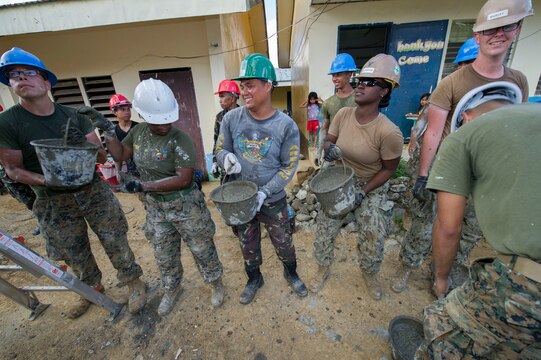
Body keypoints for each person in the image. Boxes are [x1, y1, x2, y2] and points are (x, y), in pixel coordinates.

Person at [392, 0, 533, 294]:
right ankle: (407, 266)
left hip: (486, 172)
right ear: (478, 35)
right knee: (425, 224)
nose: (498, 35)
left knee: (469, 231)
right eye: (490, 29)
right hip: (448, 166)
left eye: (506, 27)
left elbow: (513, 131)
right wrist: (422, 175)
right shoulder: (451, 83)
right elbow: (432, 133)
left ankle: (443, 271)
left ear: (517, 30)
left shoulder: (518, 81)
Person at [0, 47, 147, 318]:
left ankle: (133, 282)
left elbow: (102, 156)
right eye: (14, 74)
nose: (22, 78)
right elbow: (12, 170)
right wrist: (51, 180)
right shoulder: (7, 123)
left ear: (46, 81)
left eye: (29, 72)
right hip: (52, 199)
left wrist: (97, 134)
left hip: (92, 190)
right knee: (73, 249)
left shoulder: (74, 116)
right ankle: (92, 288)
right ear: (10, 83)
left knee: (114, 237)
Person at [415, 100, 541, 358]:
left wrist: (441, 279)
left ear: (465, 116)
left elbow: (449, 226)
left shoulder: (466, 135)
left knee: (442, 327)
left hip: (529, 284)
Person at [104, 78, 224, 316]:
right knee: (163, 252)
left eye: (168, 120)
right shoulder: (138, 132)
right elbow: (121, 152)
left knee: (202, 248)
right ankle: (172, 288)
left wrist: (142, 185)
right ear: (144, 115)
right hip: (156, 209)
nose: (164, 125)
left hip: (185, 205)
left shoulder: (181, 139)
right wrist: (107, 132)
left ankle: (215, 284)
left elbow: (184, 179)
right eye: (158, 122)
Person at [215, 53, 307, 304]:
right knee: (247, 243)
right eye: (242, 86)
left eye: (250, 85)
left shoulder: (286, 125)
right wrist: (224, 158)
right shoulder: (231, 119)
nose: (244, 91)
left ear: (268, 86)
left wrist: (265, 192)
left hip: (273, 198)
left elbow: (289, 167)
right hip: (241, 198)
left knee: (283, 241)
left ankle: (292, 273)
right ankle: (254, 278)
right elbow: (220, 148)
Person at [311, 54, 403, 299]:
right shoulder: (342, 116)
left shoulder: (388, 131)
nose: (361, 85)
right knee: (324, 228)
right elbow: (329, 140)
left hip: (369, 184)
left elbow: (388, 169)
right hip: (340, 180)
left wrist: (363, 191)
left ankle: (370, 273)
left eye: (370, 83)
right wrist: (328, 148)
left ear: (384, 91)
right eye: (361, 80)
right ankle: (322, 268)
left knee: (373, 231)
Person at [315, 53, 359, 166]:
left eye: (338, 74)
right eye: (333, 75)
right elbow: (324, 128)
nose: (334, 79)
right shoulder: (328, 103)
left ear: (350, 74)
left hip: (355, 151)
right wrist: (319, 151)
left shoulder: (360, 100)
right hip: (333, 150)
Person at [211, 79, 240, 182]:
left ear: (232, 98)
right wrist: (215, 161)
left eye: (222, 96)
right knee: (227, 189)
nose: (220, 100)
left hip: (242, 162)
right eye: (220, 97)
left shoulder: (244, 116)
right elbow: (217, 140)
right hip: (226, 160)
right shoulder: (219, 117)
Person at [109, 94, 139, 179]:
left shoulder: (138, 127)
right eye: (122, 109)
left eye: (128, 109)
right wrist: (118, 172)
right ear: (114, 112)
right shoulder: (113, 132)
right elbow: (116, 155)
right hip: (132, 171)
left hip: (146, 168)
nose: (127, 112)